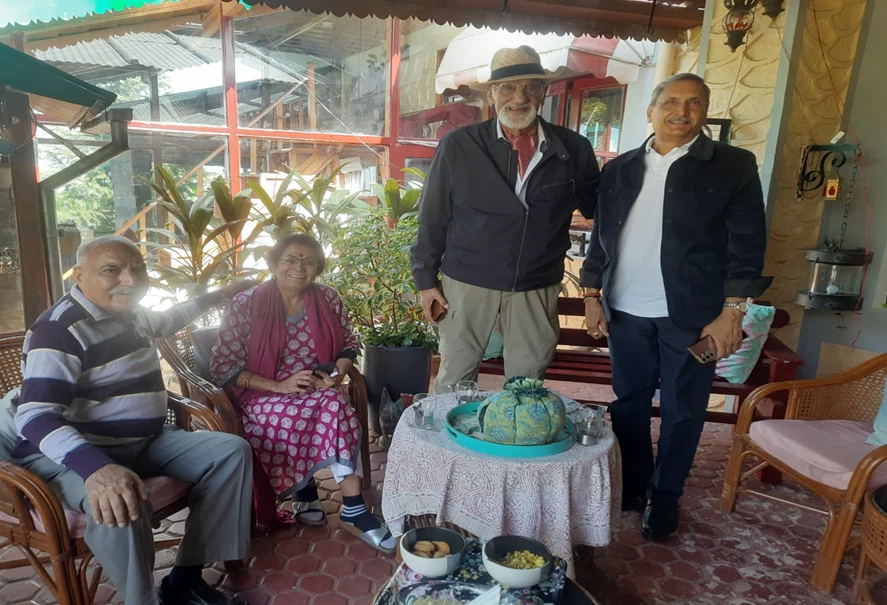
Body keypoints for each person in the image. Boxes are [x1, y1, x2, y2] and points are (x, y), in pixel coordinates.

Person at [0, 235, 256, 605]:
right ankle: (141, 599)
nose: (130, 280)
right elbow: (35, 416)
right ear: (80, 276)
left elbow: (170, 318)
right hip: (73, 454)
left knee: (230, 452)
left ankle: (185, 580)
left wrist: (222, 293)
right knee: (121, 497)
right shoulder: (60, 330)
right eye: (111, 270)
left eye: (138, 269)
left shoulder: (129, 313)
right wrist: (97, 470)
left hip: (141, 441)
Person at [580, 73, 772, 540]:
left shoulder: (732, 166)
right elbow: (601, 241)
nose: (681, 112)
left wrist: (731, 312)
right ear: (651, 109)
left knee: (684, 410)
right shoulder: (620, 168)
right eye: (670, 102)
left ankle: (665, 497)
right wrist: (591, 295)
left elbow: (748, 245)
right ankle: (635, 485)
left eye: (694, 103)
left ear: (705, 112)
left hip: (692, 319)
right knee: (628, 404)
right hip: (626, 312)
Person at [411, 45, 600, 392]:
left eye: (531, 86)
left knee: (526, 387)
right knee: (454, 380)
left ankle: (513, 444)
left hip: (536, 283)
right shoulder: (459, 145)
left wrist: (594, 290)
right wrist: (425, 281)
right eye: (508, 87)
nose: (519, 97)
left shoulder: (573, 149)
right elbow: (433, 216)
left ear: (544, 92)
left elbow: (601, 214)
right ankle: (450, 448)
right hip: (467, 282)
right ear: (493, 94)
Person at [208, 233, 395, 555]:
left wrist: (337, 373)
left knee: (334, 405)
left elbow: (349, 343)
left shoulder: (328, 298)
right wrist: (279, 386)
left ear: (318, 269)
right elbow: (223, 365)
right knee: (293, 417)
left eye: (309, 262)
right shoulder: (246, 304)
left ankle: (353, 507)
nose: (299, 267)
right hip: (262, 392)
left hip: (316, 385)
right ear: (274, 263)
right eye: (290, 259)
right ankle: (305, 491)